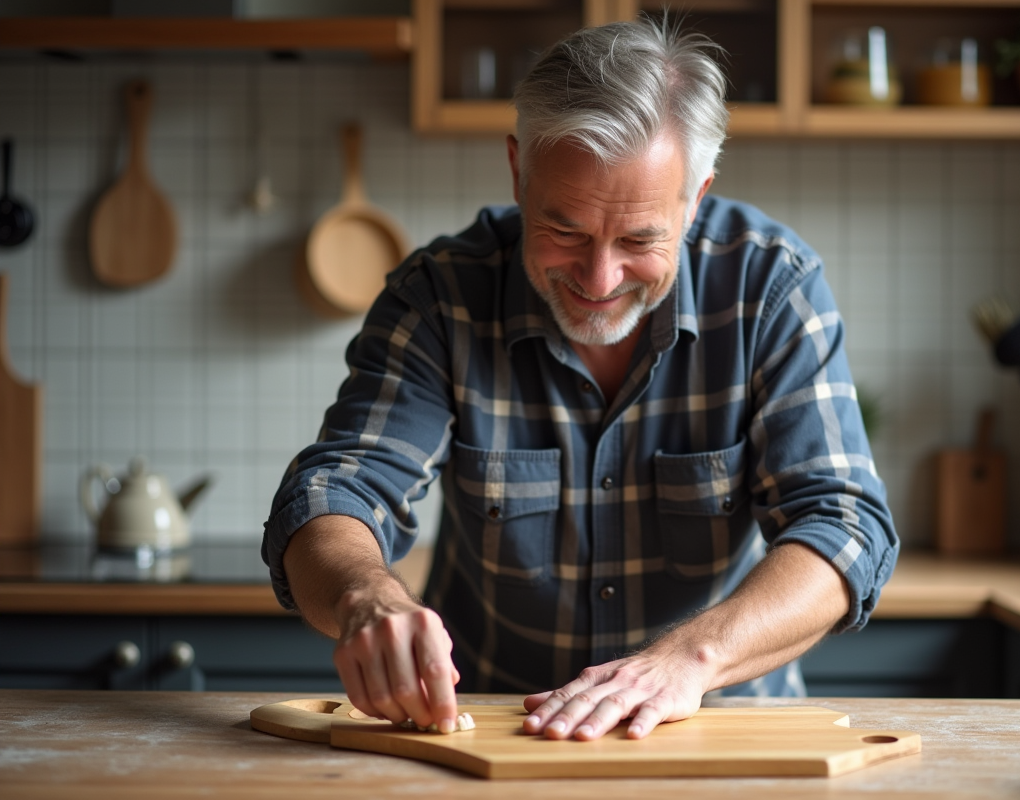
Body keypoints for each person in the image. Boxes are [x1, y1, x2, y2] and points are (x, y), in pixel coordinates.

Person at [263, 15, 898, 743]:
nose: (599, 279)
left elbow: (844, 524)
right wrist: (366, 598)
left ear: (695, 199)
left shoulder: (772, 287)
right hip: (496, 732)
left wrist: (690, 660)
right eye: (564, 230)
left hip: (724, 727)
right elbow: (337, 490)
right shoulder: (439, 296)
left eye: (638, 239)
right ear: (518, 171)